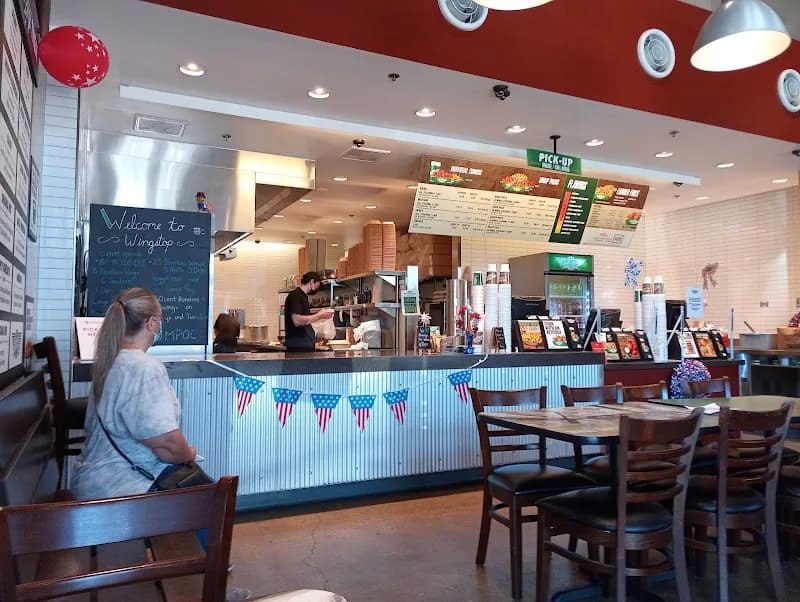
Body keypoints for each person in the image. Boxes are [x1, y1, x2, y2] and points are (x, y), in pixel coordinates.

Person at [72, 287, 197, 501]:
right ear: (152, 323)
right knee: (214, 502)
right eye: (160, 319)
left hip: (93, 481)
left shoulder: (109, 361)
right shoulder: (144, 368)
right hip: (127, 487)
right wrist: (189, 454)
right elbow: (166, 443)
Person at [283, 271, 334, 352]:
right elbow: (297, 320)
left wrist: (314, 335)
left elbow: (305, 322)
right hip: (298, 348)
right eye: (317, 286)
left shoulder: (303, 297)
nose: (317, 289)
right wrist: (320, 315)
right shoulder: (295, 295)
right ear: (312, 281)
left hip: (304, 346)